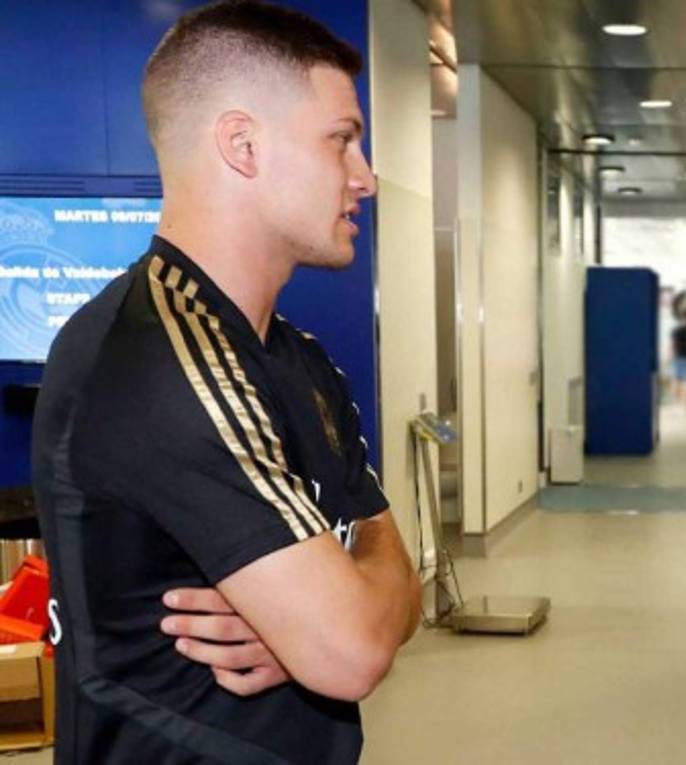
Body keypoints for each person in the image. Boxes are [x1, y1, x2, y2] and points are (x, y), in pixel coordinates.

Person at [31, 2, 422, 762]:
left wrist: (319, 617)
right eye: (342, 141)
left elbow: (382, 552)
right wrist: (327, 622)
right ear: (242, 144)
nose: (365, 177)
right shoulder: (157, 361)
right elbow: (354, 652)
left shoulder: (298, 358)